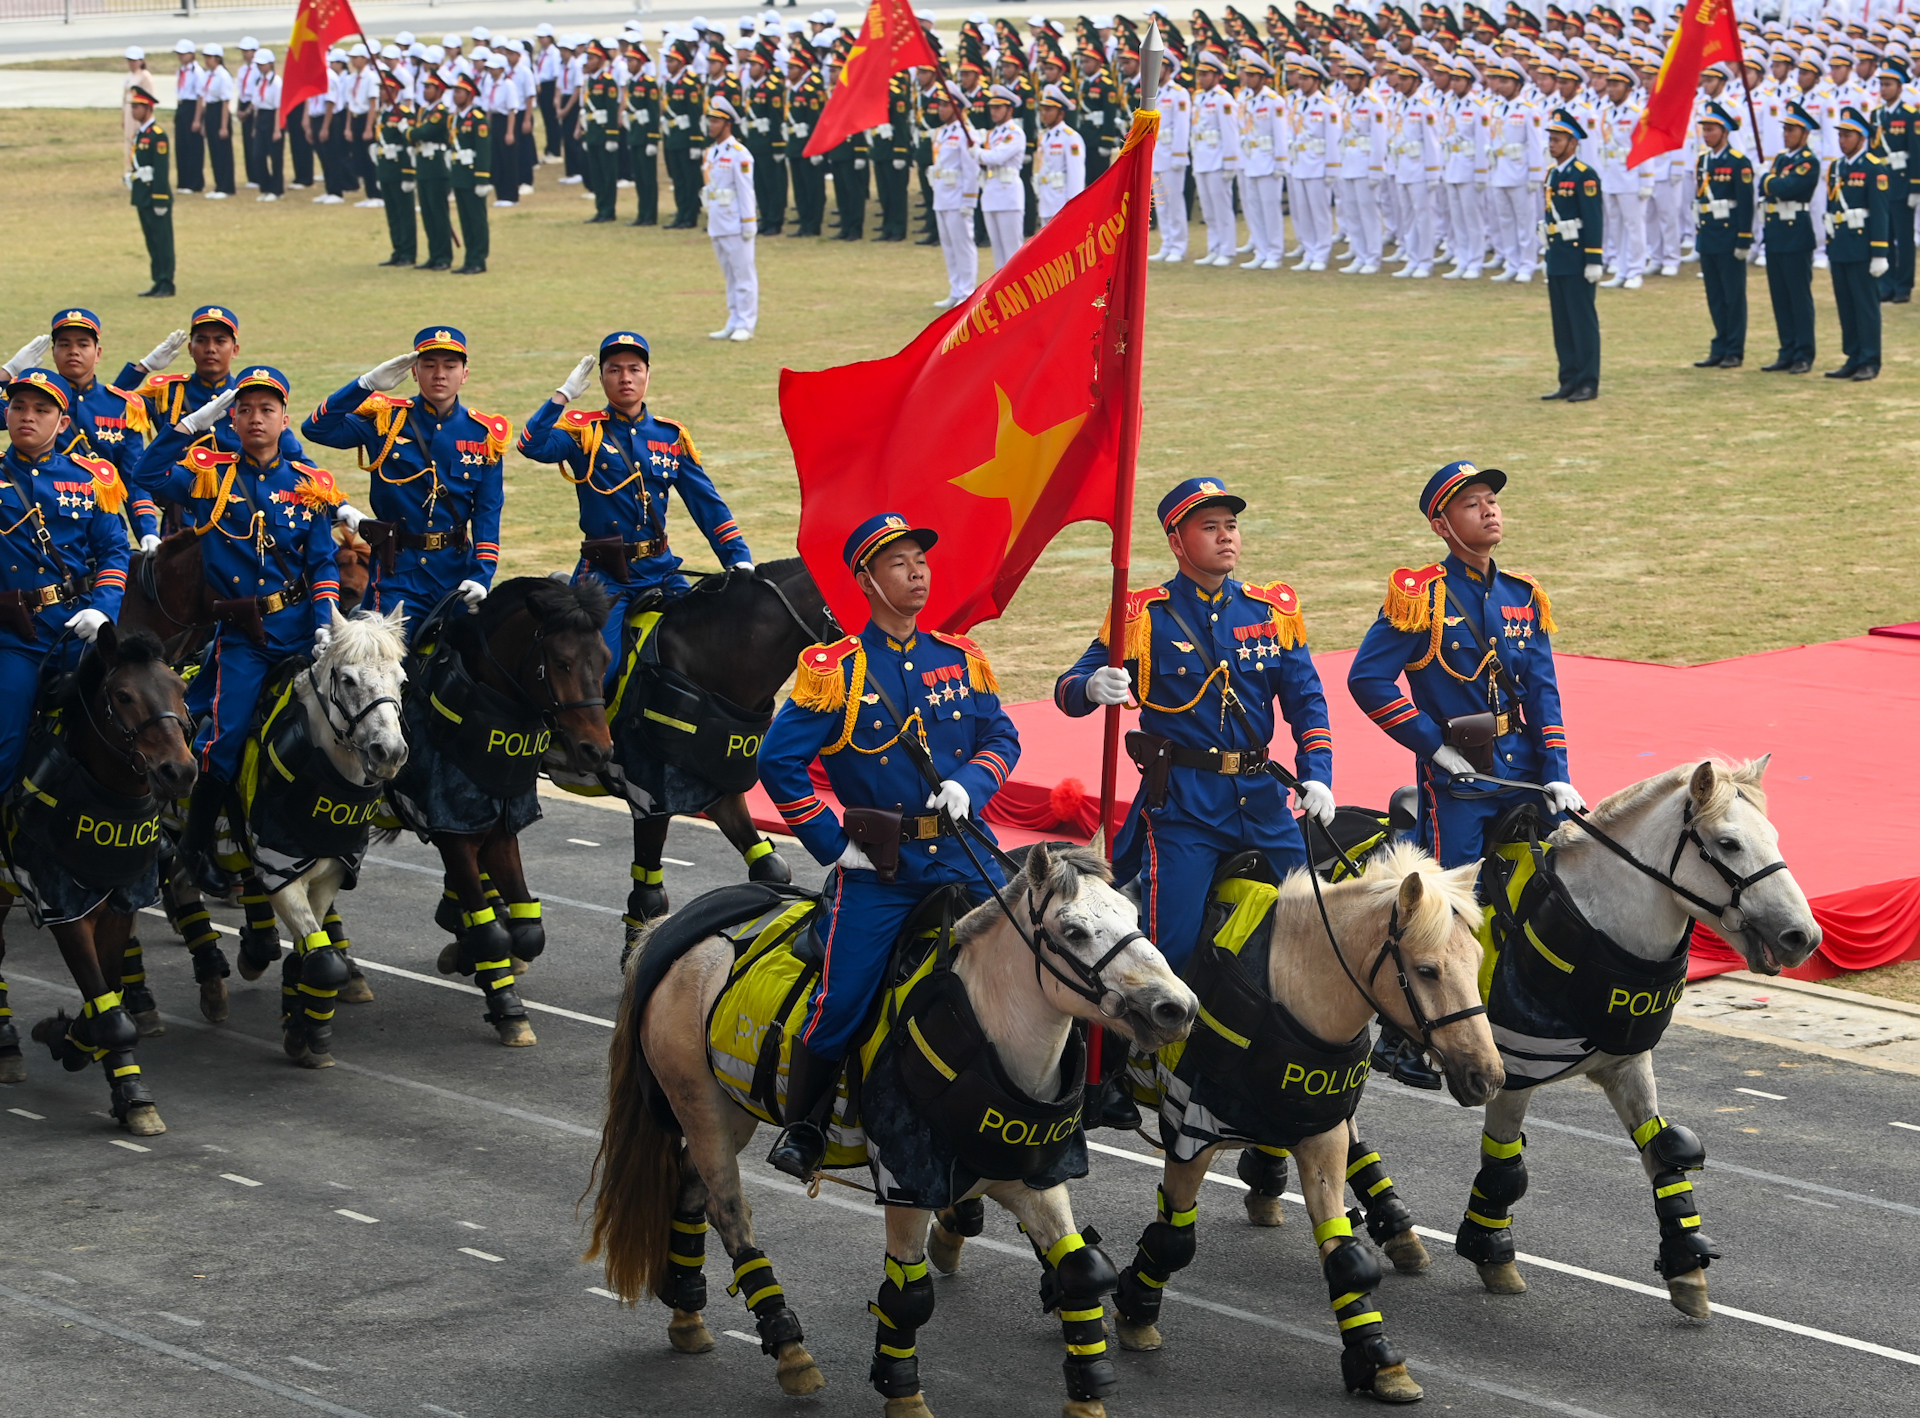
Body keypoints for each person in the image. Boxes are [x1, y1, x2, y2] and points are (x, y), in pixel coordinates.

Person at [758, 515, 1017, 1179]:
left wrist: (972, 781)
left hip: (965, 851)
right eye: (900, 563)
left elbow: (1002, 739)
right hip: (883, 869)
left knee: (1049, 941)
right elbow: (778, 764)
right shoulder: (836, 672)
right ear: (867, 581)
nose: (918, 572)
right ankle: (806, 1125)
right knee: (842, 999)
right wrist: (828, 842)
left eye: (921, 561)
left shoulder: (960, 659)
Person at [1346, 461, 1577, 1087]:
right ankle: (1400, 1040)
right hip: (1461, 780)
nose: (1490, 511)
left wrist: (1557, 771)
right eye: (1472, 504)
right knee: (1445, 912)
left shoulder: (1523, 596)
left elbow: (1545, 695)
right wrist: (1430, 746)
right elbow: (1366, 680)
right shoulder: (1419, 597)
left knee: (1570, 877)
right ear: (1442, 524)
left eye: (1492, 501)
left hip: (1525, 768)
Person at [1055, 477, 1335, 977]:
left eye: (1231, 525)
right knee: (1171, 950)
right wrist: (1091, 686)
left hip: (1264, 800)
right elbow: (1068, 688)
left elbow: (1307, 700)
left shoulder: (1270, 611)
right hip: (1186, 809)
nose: (1227, 536)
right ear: (1177, 542)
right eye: (1210, 527)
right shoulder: (1142, 616)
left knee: (1315, 922)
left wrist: (1318, 773)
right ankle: (1156, 1054)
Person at [134, 365, 341, 893]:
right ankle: (196, 847)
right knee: (223, 742)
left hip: (301, 626)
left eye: (266, 409)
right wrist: (185, 428)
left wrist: (324, 624)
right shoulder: (210, 474)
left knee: (358, 718)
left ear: (283, 419)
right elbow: (147, 476)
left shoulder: (309, 484)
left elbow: (322, 564)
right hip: (245, 638)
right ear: (232, 417)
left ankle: (346, 836)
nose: (255, 418)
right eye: (245, 409)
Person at [516, 332, 752, 669]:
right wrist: (561, 397)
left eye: (634, 369)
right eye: (614, 370)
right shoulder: (584, 433)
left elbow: (708, 506)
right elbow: (531, 446)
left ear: (647, 375)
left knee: (708, 653)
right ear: (600, 379)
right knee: (602, 672)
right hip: (605, 575)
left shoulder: (670, 437)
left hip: (662, 571)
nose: (625, 378)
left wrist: (738, 558)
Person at [301, 327, 504, 638]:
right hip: (398, 573)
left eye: (450, 366)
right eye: (429, 365)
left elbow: (488, 512)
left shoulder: (482, 435)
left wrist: (482, 575)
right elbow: (317, 428)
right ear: (414, 371)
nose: (439, 374)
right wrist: (364, 385)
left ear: (465, 374)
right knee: (385, 670)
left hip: (456, 573)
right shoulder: (385, 420)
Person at [0, 368, 131, 788]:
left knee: (141, 718)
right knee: (7, 737)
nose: (27, 416)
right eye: (18, 406)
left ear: (62, 422)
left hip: (78, 631)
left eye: (41, 409)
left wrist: (104, 609)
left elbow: (114, 549)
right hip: (14, 637)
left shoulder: (89, 479)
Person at [1540, 108, 1603, 402]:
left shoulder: (1584, 175)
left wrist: (1593, 259)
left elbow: (1593, 219)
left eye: (1557, 140)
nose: (1552, 145)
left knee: (1582, 321)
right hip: (1558, 256)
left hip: (1578, 258)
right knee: (1562, 323)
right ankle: (1568, 378)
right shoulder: (1552, 174)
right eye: (1551, 140)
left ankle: (1588, 381)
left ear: (1573, 142)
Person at [1824, 105, 1890, 382]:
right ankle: (1852, 355)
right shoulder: (1837, 167)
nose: (1842, 140)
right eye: (1840, 135)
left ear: (1862, 137)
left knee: (1865, 305)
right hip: (1840, 245)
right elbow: (1830, 207)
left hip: (1863, 246)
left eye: (1848, 135)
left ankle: (1870, 359)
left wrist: (1879, 253)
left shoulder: (1874, 168)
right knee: (1846, 304)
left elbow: (1880, 212)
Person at [1759, 102, 1821, 374]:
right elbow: (1773, 189)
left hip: (1796, 232)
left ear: (1805, 133)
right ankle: (1787, 349)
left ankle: (1804, 353)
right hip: (1776, 232)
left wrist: (1769, 181)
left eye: (1792, 129)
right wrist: (1771, 182)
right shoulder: (1782, 159)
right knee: (1780, 297)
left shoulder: (1809, 161)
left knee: (1798, 297)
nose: (1786, 134)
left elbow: (1788, 187)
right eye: (1785, 129)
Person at [1693, 101, 1753, 371]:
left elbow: (1745, 203)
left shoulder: (1739, 162)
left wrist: (1744, 238)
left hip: (1729, 235)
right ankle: (1719, 345)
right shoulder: (1703, 161)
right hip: (1709, 234)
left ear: (1725, 131)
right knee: (1715, 295)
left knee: (1733, 295)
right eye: (1704, 129)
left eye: (1711, 129)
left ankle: (1734, 349)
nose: (1707, 134)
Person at [701, 97, 760, 342]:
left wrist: (749, 223)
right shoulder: (712, 152)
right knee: (729, 276)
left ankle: (746, 322)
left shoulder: (739, 154)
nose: (710, 126)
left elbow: (746, 190)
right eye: (709, 121)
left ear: (727, 124)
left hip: (736, 223)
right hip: (717, 220)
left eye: (715, 121)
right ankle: (733, 320)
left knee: (743, 275)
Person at [928, 83, 982, 309]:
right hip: (942, 194)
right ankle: (955, 289)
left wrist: (969, 200)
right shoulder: (942, 132)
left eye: (945, 105)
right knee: (948, 245)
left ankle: (968, 291)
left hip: (959, 196)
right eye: (939, 105)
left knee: (962, 244)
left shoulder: (966, 133)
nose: (940, 109)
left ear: (957, 107)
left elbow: (971, 169)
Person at [126, 84, 175, 299]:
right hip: (142, 196)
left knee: (162, 241)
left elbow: (161, 170)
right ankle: (157, 280)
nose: (133, 110)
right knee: (151, 241)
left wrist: (160, 199)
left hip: (155, 196)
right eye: (133, 106)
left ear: (148, 108)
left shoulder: (157, 135)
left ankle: (167, 282)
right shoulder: (141, 134)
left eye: (137, 107)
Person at [978, 84, 1029, 268]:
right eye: (991, 107)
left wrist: (977, 153)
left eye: (998, 107)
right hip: (992, 191)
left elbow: (998, 157)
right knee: (998, 253)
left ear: (1009, 109)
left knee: (1012, 253)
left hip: (1008, 194)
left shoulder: (1014, 133)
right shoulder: (993, 134)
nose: (993, 111)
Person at [1147, 54, 1191, 262]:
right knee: (1161, 203)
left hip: (1172, 154)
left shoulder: (1178, 94)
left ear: (1169, 69)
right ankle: (1167, 243)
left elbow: (1182, 127)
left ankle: (1178, 246)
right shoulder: (1153, 93)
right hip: (1156, 154)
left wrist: (1179, 153)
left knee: (1174, 202)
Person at [411, 72, 455, 271]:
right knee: (428, 213)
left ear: (439, 90)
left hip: (437, 165)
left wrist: (409, 132)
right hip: (423, 165)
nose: (425, 90)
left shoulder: (440, 112)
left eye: (429, 87)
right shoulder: (423, 111)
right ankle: (434, 254)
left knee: (438, 213)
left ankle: (444, 256)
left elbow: (424, 132)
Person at [449, 75, 492, 274]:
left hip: (473, 175)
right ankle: (469, 258)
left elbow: (483, 150)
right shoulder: (456, 118)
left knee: (477, 219)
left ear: (470, 95)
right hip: (459, 175)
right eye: (455, 91)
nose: (455, 95)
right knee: (465, 220)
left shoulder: (477, 119)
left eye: (459, 92)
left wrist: (482, 178)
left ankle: (479, 259)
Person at [374, 69, 418, 267]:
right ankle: (397, 250)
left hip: (400, 170)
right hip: (386, 168)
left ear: (394, 92)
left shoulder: (404, 114)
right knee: (392, 213)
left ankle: (408, 253)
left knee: (404, 213)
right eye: (381, 89)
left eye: (385, 89)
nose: (381, 93)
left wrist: (409, 175)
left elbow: (410, 146)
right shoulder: (383, 114)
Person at [580, 41, 622, 223]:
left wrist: (612, 136)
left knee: (607, 174)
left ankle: (609, 210)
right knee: (596, 174)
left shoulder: (608, 82)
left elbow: (612, 111)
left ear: (600, 60)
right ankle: (600, 208)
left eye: (591, 58)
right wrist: (585, 134)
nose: (587, 62)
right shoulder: (589, 82)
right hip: (593, 134)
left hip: (605, 134)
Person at [1033, 85, 1087, 225]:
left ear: (1061, 113)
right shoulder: (1045, 136)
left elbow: (1076, 174)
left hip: (1061, 202)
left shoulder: (1070, 137)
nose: (1044, 113)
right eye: (1043, 109)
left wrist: (1073, 204)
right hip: (1046, 200)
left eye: (1049, 110)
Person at [251, 51, 284, 203]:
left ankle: (276, 189)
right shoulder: (259, 81)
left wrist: (277, 129)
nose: (260, 67)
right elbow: (257, 104)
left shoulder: (277, 82)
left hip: (273, 118)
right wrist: (254, 126)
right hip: (262, 118)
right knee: (258, 155)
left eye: (262, 64)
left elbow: (278, 107)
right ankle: (265, 187)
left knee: (275, 156)